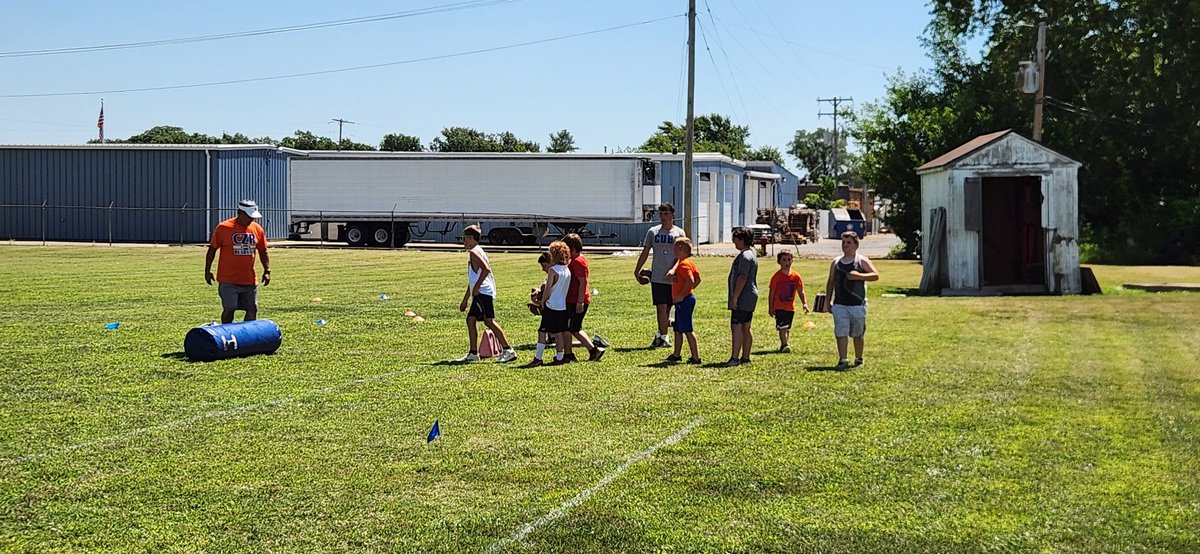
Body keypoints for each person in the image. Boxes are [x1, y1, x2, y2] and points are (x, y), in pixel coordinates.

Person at [205, 199, 271, 324]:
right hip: (228, 280)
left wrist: (267, 270)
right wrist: (207, 271)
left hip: (249, 280)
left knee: (252, 309)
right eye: (249, 217)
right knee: (230, 308)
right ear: (240, 213)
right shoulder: (224, 227)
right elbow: (212, 250)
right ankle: (226, 333)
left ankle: (248, 337)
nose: (252, 220)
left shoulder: (257, 229)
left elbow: (263, 251)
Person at [457, 225, 517, 363]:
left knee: (488, 321)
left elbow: (486, 270)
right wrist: (465, 299)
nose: (464, 241)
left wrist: (477, 288)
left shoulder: (474, 252)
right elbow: (473, 279)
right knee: (471, 320)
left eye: (465, 239)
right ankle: (473, 353)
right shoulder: (476, 251)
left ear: (471, 239)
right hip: (480, 292)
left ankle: (508, 350)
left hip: (483, 292)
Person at [824, 231, 879, 369]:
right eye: (843, 242)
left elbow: (875, 275)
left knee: (857, 333)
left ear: (856, 245)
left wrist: (859, 276)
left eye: (848, 242)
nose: (845, 245)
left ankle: (858, 358)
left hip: (857, 305)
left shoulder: (861, 260)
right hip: (840, 304)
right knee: (841, 331)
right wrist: (827, 302)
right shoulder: (836, 262)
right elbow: (830, 282)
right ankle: (843, 359)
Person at [633, 203, 686, 348]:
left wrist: (674, 269)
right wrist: (637, 270)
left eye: (666, 214)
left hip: (673, 277)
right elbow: (645, 252)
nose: (663, 217)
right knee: (661, 307)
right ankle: (664, 337)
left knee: (668, 308)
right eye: (661, 214)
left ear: (673, 214)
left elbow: (683, 256)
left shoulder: (679, 233)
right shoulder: (653, 232)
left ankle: (660, 334)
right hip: (657, 276)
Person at [562, 233, 606, 362]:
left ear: (573, 249)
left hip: (577, 300)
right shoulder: (575, 260)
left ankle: (594, 350)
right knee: (569, 328)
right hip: (571, 299)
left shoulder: (578, 262)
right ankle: (568, 353)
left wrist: (580, 302)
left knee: (574, 328)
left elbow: (583, 282)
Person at [725, 226, 759, 367]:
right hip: (750, 296)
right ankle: (745, 357)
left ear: (742, 240)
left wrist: (735, 297)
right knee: (746, 326)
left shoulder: (745, 256)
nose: (734, 241)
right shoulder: (751, 253)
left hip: (744, 296)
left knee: (737, 326)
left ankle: (735, 358)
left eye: (736, 239)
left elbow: (742, 277)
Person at [665, 237, 702, 364]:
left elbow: (691, 280)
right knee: (678, 328)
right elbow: (698, 279)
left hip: (684, 300)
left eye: (675, 247)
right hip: (684, 299)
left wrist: (682, 294)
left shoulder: (684, 264)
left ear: (681, 249)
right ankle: (676, 354)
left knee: (687, 329)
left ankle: (696, 357)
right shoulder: (688, 262)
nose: (673, 250)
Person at [539, 241, 573, 366]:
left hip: (551, 304)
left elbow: (548, 289)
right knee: (559, 332)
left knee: (542, 331)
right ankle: (559, 357)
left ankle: (538, 357)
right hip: (562, 306)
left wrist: (543, 301)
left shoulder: (553, 270)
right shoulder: (567, 270)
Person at [768, 250, 808, 353]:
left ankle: (784, 344)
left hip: (790, 307)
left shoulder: (796, 276)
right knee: (783, 326)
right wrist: (771, 307)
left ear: (792, 261)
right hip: (779, 306)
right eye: (784, 260)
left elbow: (800, 290)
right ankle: (784, 344)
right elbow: (772, 292)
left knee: (787, 327)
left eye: (789, 260)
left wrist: (805, 303)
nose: (787, 262)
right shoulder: (776, 277)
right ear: (779, 262)